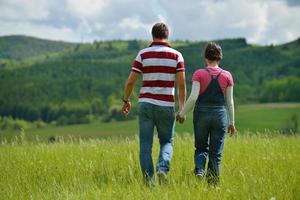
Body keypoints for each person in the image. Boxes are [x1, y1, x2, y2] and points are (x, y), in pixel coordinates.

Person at [121, 22, 186, 185]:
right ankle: (162, 169)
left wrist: (126, 100)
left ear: (152, 35)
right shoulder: (177, 55)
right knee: (167, 142)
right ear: (167, 36)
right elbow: (182, 84)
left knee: (145, 145)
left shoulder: (143, 54)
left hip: (146, 105)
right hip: (166, 106)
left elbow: (130, 82)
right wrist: (182, 108)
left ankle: (149, 183)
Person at [177, 42, 235, 185]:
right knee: (216, 154)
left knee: (201, 147)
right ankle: (213, 186)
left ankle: (199, 171)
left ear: (206, 57)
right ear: (220, 57)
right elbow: (230, 102)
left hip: (201, 114)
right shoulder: (227, 75)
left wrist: (182, 113)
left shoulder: (199, 73)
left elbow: (193, 97)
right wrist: (231, 122)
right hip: (219, 115)